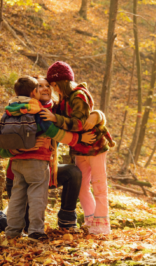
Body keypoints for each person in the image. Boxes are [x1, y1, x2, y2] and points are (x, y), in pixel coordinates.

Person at [0, 76, 102, 237]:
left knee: (73, 172)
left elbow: (78, 119)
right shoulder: (24, 112)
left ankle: (67, 221)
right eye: (40, 86)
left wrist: (98, 115)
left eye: (48, 85)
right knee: (24, 221)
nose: (45, 88)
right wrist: (21, 148)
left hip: (44, 170)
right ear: (33, 92)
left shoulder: (56, 112)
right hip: (17, 175)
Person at [41, 61, 115, 235]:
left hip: (95, 146)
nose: (53, 89)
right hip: (79, 148)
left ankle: (102, 225)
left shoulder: (79, 95)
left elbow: (79, 124)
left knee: (99, 185)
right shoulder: (63, 100)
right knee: (82, 187)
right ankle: (91, 220)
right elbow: (57, 119)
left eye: (54, 85)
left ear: (62, 82)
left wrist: (55, 119)